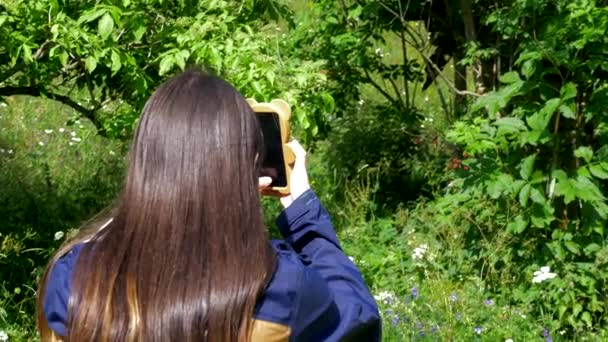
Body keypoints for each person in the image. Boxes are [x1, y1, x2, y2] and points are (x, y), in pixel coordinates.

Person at [37, 68, 381, 341]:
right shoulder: (282, 288)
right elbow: (358, 319)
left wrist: (145, 205)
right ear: (246, 168)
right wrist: (302, 211)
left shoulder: (73, 280)